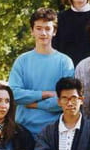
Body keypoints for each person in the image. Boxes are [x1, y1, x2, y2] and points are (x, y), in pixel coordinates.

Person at [9, 8, 75, 137]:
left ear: (54, 31)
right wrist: (46, 94)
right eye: (38, 28)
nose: (43, 33)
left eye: (47, 28)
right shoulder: (22, 61)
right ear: (32, 31)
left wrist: (34, 104)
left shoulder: (65, 62)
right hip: (23, 131)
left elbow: (67, 100)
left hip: (55, 132)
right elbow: (14, 94)